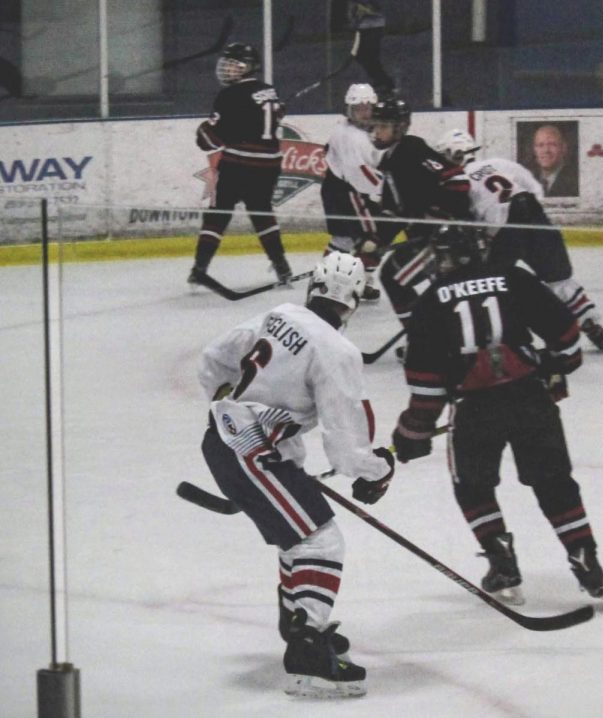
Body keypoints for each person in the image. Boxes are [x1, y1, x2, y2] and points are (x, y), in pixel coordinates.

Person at [197, 252, 395, 698]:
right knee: (320, 539)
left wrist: (234, 414)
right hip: (248, 448)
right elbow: (347, 450)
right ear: (355, 302)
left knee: (298, 534)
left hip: (228, 440)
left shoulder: (279, 314)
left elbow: (214, 360)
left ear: (314, 288)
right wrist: (378, 469)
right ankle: (307, 650)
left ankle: (299, 623)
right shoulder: (338, 351)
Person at [390, 224, 603, 606]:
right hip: (530, 399)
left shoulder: (430, 302)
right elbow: (566, 336)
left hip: (474, 410)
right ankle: (585, 558)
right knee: (554, 482)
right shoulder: (512, 278)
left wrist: (411, 434)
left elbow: (427, 388)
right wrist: (553, 367)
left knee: (473, 487)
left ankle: (501, 560)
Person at [434, 128, 603, 352]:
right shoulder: (499, 163)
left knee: (491, 284)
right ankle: (593, 326)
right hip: (534, 216)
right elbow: (535, 189)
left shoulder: (460, 181)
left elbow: (468, 220)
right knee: (558, 279)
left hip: (505, 231)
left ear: (453, 155)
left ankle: (496, 335)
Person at [189, 43, 293, 286]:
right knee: (262, 212)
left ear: (246, 67)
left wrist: (202, 132)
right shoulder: (269, 90)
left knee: (219, 213)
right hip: (269, 164)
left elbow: (211, 140)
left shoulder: (229, 95)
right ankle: (282, 266)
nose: (226, 69)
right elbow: (269, 118)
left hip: (239, 163)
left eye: (232, 65)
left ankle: (199, 268)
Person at [367, 97, 471, 328]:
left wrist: (441, 219)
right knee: (437, 292)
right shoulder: (390, 160)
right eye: (376, 125)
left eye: (383, 126)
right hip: (426, 239)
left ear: (400, 128)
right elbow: (393, 214)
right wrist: (376, 243)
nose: (377, 131)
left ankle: (421, 338)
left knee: (394, 278)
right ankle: (431, 337)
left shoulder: (412, 148)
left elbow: (458, 180)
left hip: (445, 241)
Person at [321, 82, 388, 300]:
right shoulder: (352, 137)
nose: (364, 113)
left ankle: (323, 278)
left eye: (367, 108)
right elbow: (359, 176)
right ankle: (363, 281)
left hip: (338, 189)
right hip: (349, 192)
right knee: (373, 236)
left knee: (342, 239)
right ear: (349, 111)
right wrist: (386, 190)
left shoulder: (352, 131)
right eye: (359, 109)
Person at [528, 124, 579, 197]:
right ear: (534, 149)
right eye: (540, 145)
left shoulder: (576, 182)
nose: (546, 150)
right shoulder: (528, 180)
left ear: (563, 148)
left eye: (552, 144)